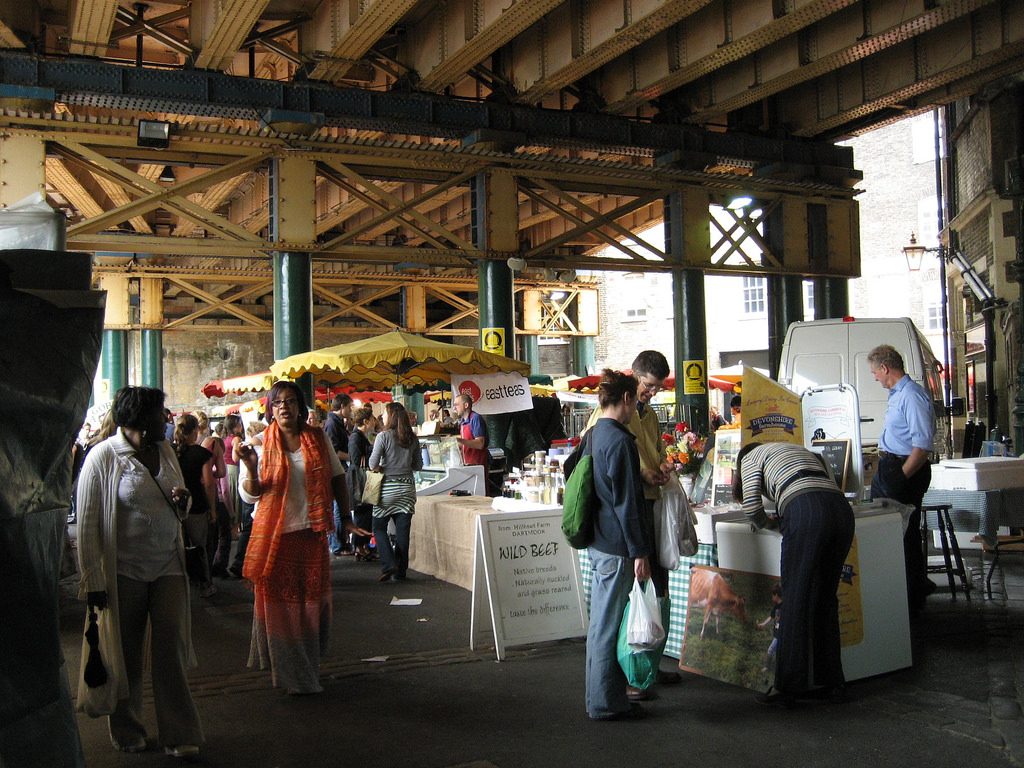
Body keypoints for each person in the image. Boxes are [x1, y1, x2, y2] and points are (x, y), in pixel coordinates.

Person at [75, 386, 204, 758]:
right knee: (126, 655)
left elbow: (178, 501)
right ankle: (128, 729)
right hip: (124, 571)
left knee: (171, 652)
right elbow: (87, 524)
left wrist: (184, 501)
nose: (166, 419)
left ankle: (179, 734)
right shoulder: (103, 457)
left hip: (168, 565)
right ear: (138, 418)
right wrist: (93, 581)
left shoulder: (165, 451)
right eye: (159, 412)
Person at [237, 381, 369, 694]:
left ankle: (308, 669)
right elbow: (250, 496)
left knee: (310, 609)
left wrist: (346, 519)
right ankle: (290, 676)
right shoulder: (257, 444)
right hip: (276, 538)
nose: (285, 406)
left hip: (311, 534)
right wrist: (252, 470)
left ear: (300, 407)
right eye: (278, 402)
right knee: (282, 611)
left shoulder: (317, 438)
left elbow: (337, 477)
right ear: (270, 408)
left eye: (291, 401)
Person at [583, 350, 678, 695]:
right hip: (625, 523)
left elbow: (652, 452)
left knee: (652, 595)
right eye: (649, 386)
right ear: (633, 381)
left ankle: (645, 665)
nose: (652, 394)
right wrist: (642, 473)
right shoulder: (611, 423)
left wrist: (662, 467)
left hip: (643, 512)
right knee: (622, 607)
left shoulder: (647, 415)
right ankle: (622, 682)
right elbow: (612, 471)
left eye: (657, 389)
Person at [733, 441, 855, 706]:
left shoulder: (750, 458)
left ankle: (789, 686)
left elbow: (751, 507)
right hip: (841, 511)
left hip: (806, 509)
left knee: (793, 598)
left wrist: (771, 524)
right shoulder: (794, 450)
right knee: (825, 598)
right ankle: (832, 681)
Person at [585, 369, 653, 721]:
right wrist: (640, 551)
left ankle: (599, 697)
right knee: (610, 628)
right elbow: (628, 504)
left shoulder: (594, 434)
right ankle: (606, 703)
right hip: (617, 547)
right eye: (635, 400)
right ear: (626, 398)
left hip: (597, 542)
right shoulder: (623, 441)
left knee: (599, 624)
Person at [867, 344, 936, 613]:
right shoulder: (897, 395)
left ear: (885, 368)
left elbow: (922, 445)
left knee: (901, 535)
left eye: (874, 372)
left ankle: (910, 597)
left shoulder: (911, 396)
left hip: (904, 469)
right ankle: (903, 589)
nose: (874, 377)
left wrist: (901, 478)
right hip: (891, 466)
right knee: (888, 532)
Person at [367, 401, 423, 583]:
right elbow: (418, 465)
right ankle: (401, 572)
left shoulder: (383, 437)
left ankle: (389, 563)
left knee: (378, 527)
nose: (382, 416)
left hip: (386, 489)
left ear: (390, 416)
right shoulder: (413, 438)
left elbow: (372, 464)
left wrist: (384, 466)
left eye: (384, 413)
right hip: (407, 489)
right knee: (402, 532)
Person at [174, 414, 218, 598]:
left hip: (176, 504)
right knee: (200, 546)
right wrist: (213, 509)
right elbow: (208, 483)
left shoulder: (173, 452)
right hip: (197, 504)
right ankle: (204, 584)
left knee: (179, 545)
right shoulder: (202, 454)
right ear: (195, 431)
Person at [227, 420, 265, 579]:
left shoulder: (233, 439)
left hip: (238, 478)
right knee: (248, 524)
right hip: (243, 479)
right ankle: (240, 562)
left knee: (247, 524)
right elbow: (236, 458)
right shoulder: (241, 441)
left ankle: (240, 562)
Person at [325, 394, 353, 556]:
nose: (351, 410)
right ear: (342, 406)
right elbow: (334, 452)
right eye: (349, 406)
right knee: (337, 508)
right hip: (337, 470)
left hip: (341, 468)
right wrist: (352, 457)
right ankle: (337, 545)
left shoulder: (338, 424)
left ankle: (341, 543)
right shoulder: (332, 425)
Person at [348, 407, 377, 561]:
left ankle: (363, 545)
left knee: (366, 514)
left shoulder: (362, 436)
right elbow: (356, 459)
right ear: (366, 421)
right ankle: (359, 545)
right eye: (372, 419)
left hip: (362, 480)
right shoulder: (355, 437)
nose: (374, 422)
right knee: (362, 514)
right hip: (359, 481)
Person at [453, 393, 489, 472]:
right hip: (468, 464)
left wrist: (459, 440)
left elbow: (480, 444)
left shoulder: (475, 418)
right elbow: (467, 442)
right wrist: (452, 445)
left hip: (478, 464)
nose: (454, 408)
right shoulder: (462, 422)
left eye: (456, 405)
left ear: (466, 405)